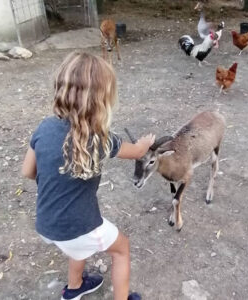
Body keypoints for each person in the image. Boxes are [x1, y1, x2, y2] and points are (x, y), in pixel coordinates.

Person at [22, 52, 155, 300]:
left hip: (45, 223)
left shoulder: (44, 127)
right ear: (102, 99)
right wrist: (146, 142)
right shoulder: (102, 139)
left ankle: (74, 288)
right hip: (77, 227)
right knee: (121, 249)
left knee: (77, 245)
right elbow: (136, 151)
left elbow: (27, 171)